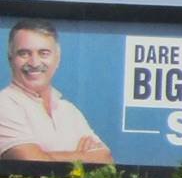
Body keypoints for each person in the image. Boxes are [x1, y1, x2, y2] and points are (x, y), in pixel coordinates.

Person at [0, 20, 112, 164]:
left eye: (43, 53)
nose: (34, 63)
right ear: (10, 59)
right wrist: (82, 156)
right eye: (24, 54)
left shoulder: (69, 111)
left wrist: (46, 156)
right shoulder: (4, 104)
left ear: (57, 59)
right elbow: (30, 162)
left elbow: (106, 159)